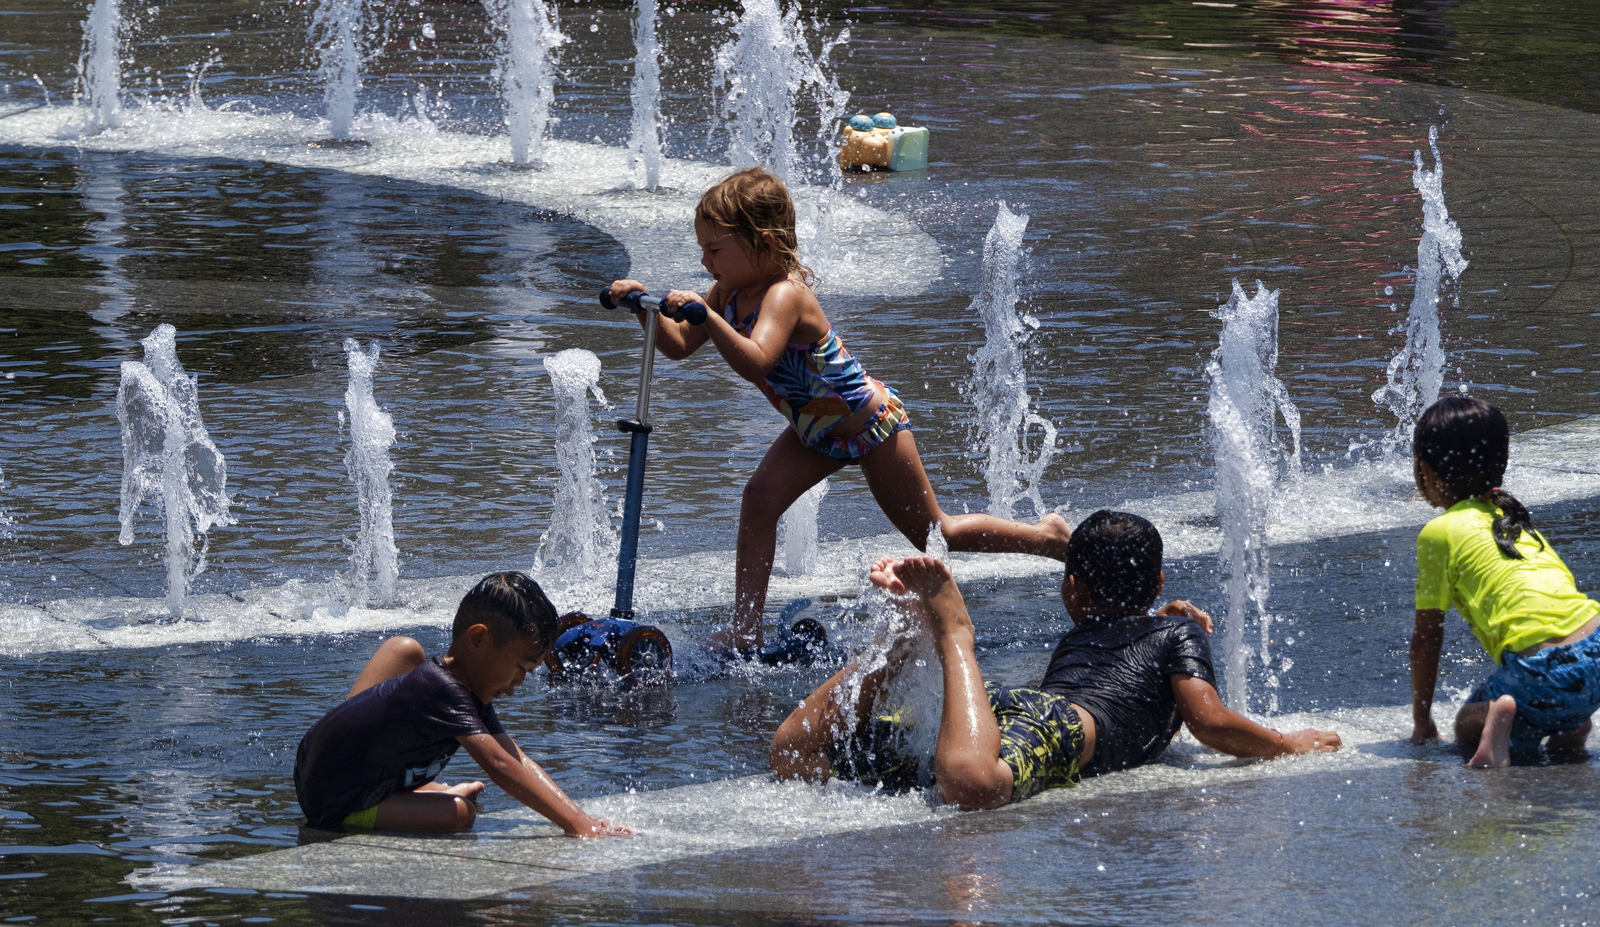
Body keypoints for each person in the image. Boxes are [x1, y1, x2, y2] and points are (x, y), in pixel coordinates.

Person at [608, 168, 1070, 654]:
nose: (705, 261)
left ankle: (1045, 537)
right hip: (816, 433)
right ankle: (745, 629)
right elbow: (679, 346)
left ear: (764, 244)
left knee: (936, 533)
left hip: (869, 423)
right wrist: (644, 308)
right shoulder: (727, 293)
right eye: (702, 249)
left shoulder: (785, 294)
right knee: (759, 500)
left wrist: (708, 316)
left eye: (715, 250)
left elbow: (757, 360)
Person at [770, 511, 1340, 807]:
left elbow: (1138, 651)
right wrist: (1287, 743)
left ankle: (898, 646)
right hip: (1055, 726)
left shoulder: (1113, 631)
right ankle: (951, 633)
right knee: (971, 785)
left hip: (1001, 715)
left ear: (1072, 590)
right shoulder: (1176, 633)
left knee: (796, 755)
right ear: (1160, 582)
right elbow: (1208, 720)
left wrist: (1163, 620)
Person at [294, 571, 632, 836]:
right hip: (334, 802)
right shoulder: (443, 689)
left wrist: (581, 816)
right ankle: (410, 797)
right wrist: (578, 826)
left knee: (403, 652)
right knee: (459, 814)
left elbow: (516, 758)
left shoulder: (466, 689)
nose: (519, 683)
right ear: (478, 639)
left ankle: (423, 790)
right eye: (520, 668)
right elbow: (500, 765)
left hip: (324, 768)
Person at [1407, 396, 1600, 767]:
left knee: (1466, 723)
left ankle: (1501, 720)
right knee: (1554, 691)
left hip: (1540, 674)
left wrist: (1422, 723)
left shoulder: (1439, 532)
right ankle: (1571, 725)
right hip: (1595, 646)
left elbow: (1426, 639)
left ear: (1423, 470)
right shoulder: (1514, 520)